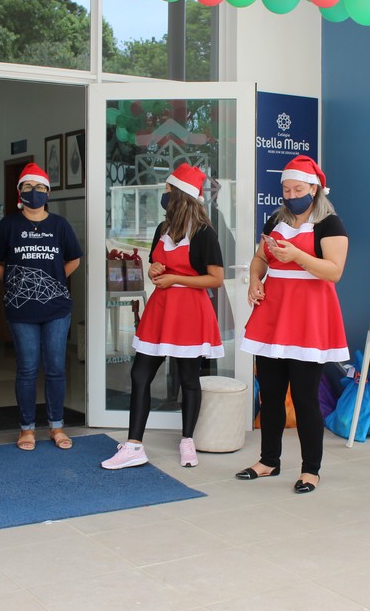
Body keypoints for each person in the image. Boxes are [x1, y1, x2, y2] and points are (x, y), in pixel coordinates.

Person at [100, 164, 225, 469]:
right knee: (140, 374)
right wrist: (155, 270)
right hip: (161, 309)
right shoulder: (162, 229)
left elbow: (216, 279)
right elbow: (157, 267)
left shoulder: (204, 233)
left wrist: (176, 279)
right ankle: (134, 445)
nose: (164, 195)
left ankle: (187, 441)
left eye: (168, 190)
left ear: (181, 195)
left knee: (188, 378)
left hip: (190, 311)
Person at [237, 155, 348, 494]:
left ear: (314, 189)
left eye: (298, 189)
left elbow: (334, 271)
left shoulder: (330, 224)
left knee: (304, 397)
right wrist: (255, 280)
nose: (291, 195)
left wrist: (297, 256)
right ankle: (268, 460)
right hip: (272, 315)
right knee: (270, 394)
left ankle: (310, 469)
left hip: (308, 319)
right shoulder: (276, 220)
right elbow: (260, 258)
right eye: (286, 189)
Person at [0, 162, 83, 451]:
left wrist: (52, 281)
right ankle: (26, 429)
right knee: (27, 369)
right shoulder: (8, 225)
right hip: (21, 310)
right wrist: (14, 281)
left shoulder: (59, 225)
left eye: (40, 187)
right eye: (28, 187)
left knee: (55, 368)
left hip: (57, 309)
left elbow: (74, 259)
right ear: (20, 192)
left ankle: (56, 426)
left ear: (48, 193)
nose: (34, 192)